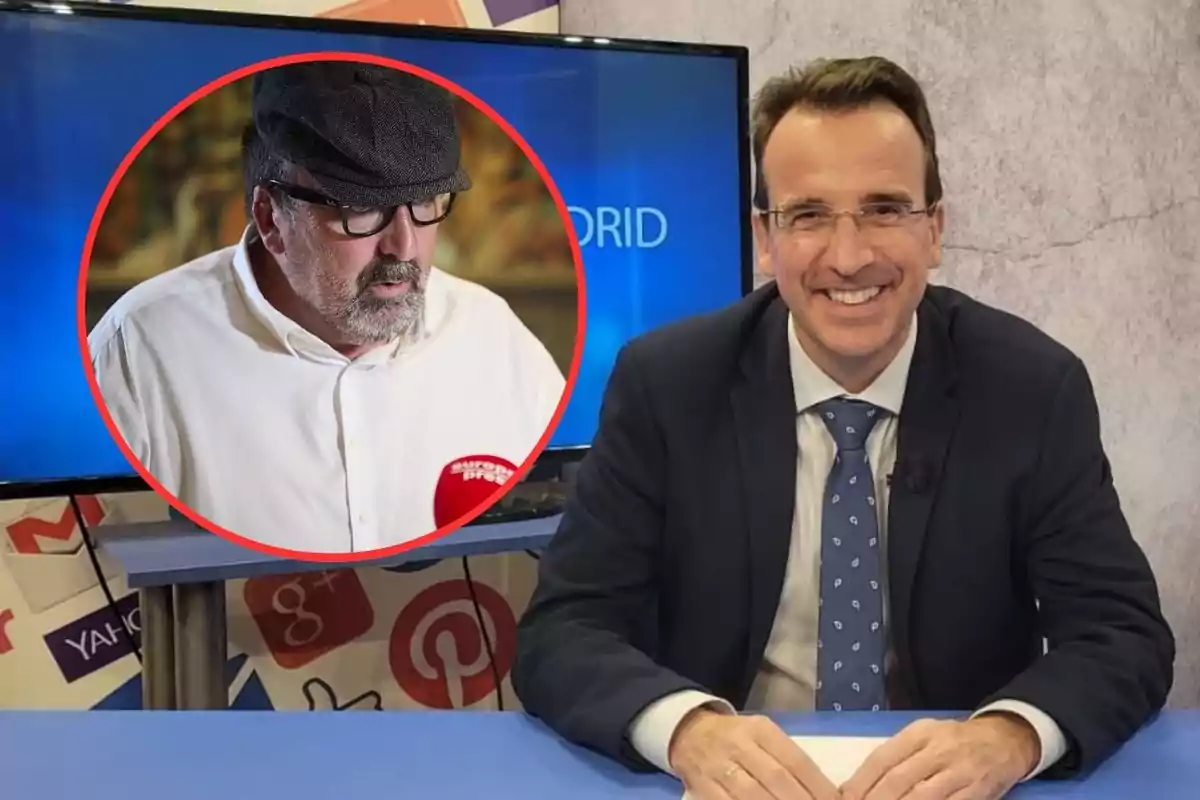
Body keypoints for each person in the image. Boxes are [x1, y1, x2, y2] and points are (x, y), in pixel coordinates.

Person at [512, 56, 1174, 800]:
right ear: (765, 238)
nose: (849, 255)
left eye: (886, 209)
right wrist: (689, 730)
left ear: (936, 229)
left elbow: (1123, 636)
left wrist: (1008, 737)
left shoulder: (1031, 389)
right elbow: (563, 630)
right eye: (809, 216)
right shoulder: (666, 383)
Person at [89, 61, 566, 554]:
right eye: (361, 208)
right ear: (271, 219)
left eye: (425, 204)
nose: (403, 247)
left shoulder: (492, 334)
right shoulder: (139, 349)